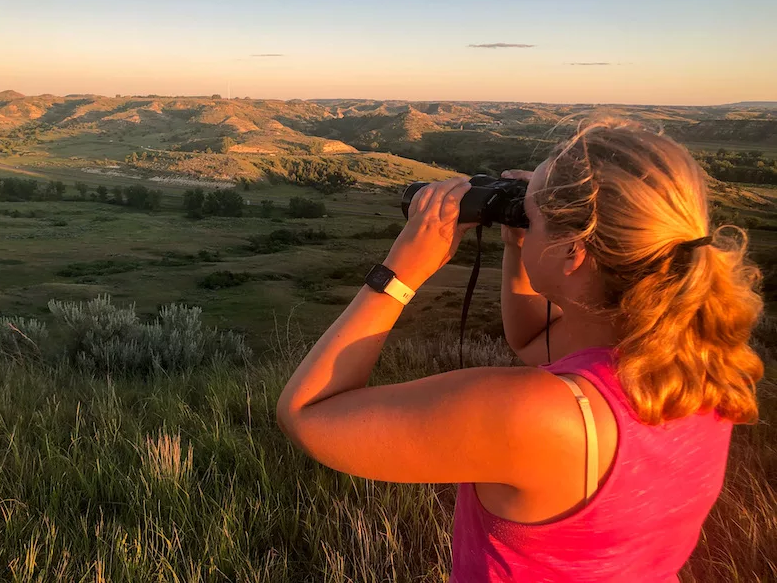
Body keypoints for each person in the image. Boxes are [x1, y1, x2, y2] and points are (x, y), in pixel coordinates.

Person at [276, 118, 764, 582]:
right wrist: (520, 242)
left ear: (574, 251)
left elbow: (307, 414)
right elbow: (534, 341)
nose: (523, 224)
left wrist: (400, 272)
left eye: (529, 217)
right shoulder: (692, 357)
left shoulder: (535, 415)